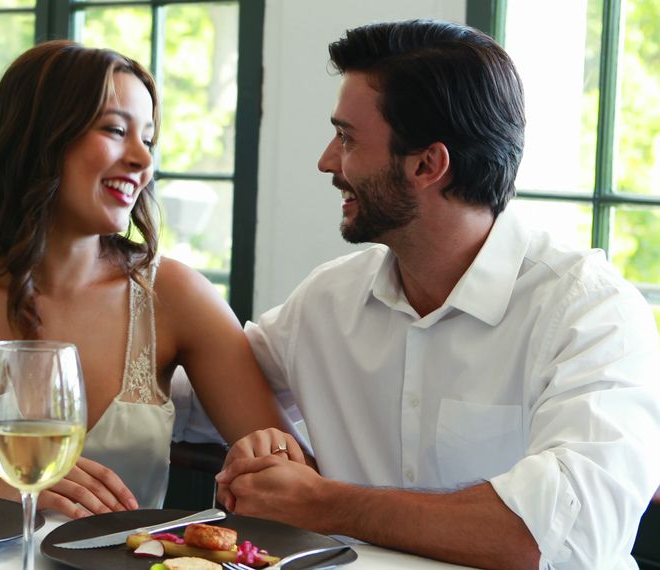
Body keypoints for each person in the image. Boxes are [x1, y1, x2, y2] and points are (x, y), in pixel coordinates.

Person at [215, 19, 660, 569]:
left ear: (428, 164)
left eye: (347, 138)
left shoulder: (592, 314)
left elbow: (557, 537)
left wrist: (323, 504)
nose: (327, 161)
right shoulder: (328, 300)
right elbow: (202, 380)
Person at [0, 40, 300, 519]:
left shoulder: (177, 297)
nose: (143, 160)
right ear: (39, 138)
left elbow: (292, 478)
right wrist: (9, 496)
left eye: (149, 140)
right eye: (116, 130)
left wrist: (271, 455)